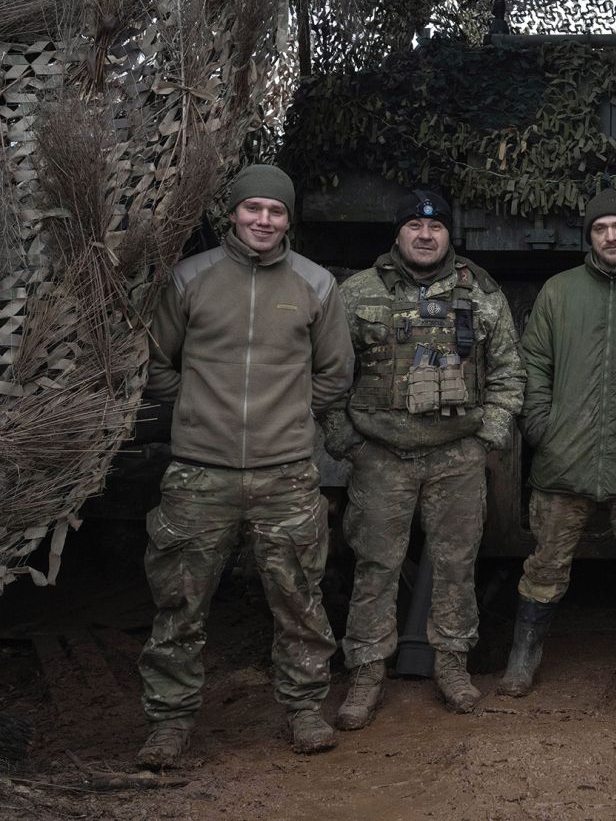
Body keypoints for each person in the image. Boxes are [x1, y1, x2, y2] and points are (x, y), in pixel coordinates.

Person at [137, 164, 354, 766]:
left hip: (285, 473)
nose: (264, 220)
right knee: (181, 603)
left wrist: (288, 415)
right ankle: (170, 723)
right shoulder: (191, 279)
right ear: (232, 212)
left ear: (289, 219)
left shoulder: (314, 285)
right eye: (253, 208)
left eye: (276, 211)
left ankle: (305, 708)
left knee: (299, 597)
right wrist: (198, 406)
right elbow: (156, 364)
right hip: (198, 474)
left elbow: (335, 374)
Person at [326, 189, 525, 730]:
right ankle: (366, 672)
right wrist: (348, 442)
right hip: (381, 455)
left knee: (457, 567)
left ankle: (453, 665)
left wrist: (486, 436)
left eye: (434, 227)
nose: (424, 235)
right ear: (398, 233)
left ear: (448, 235)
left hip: (456, 454)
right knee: (375, 567)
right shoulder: (357, 293)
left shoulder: (480, 292)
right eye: (413, 225)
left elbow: (509, 373)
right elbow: (325, 375)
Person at [497, 189, 616, 696]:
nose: (611, 236)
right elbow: (534, 364)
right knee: (545, 566)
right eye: (600, 228)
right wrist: (540, 428)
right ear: (590, 236)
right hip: (564, 461)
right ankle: (521, 660)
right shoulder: (559, 291)